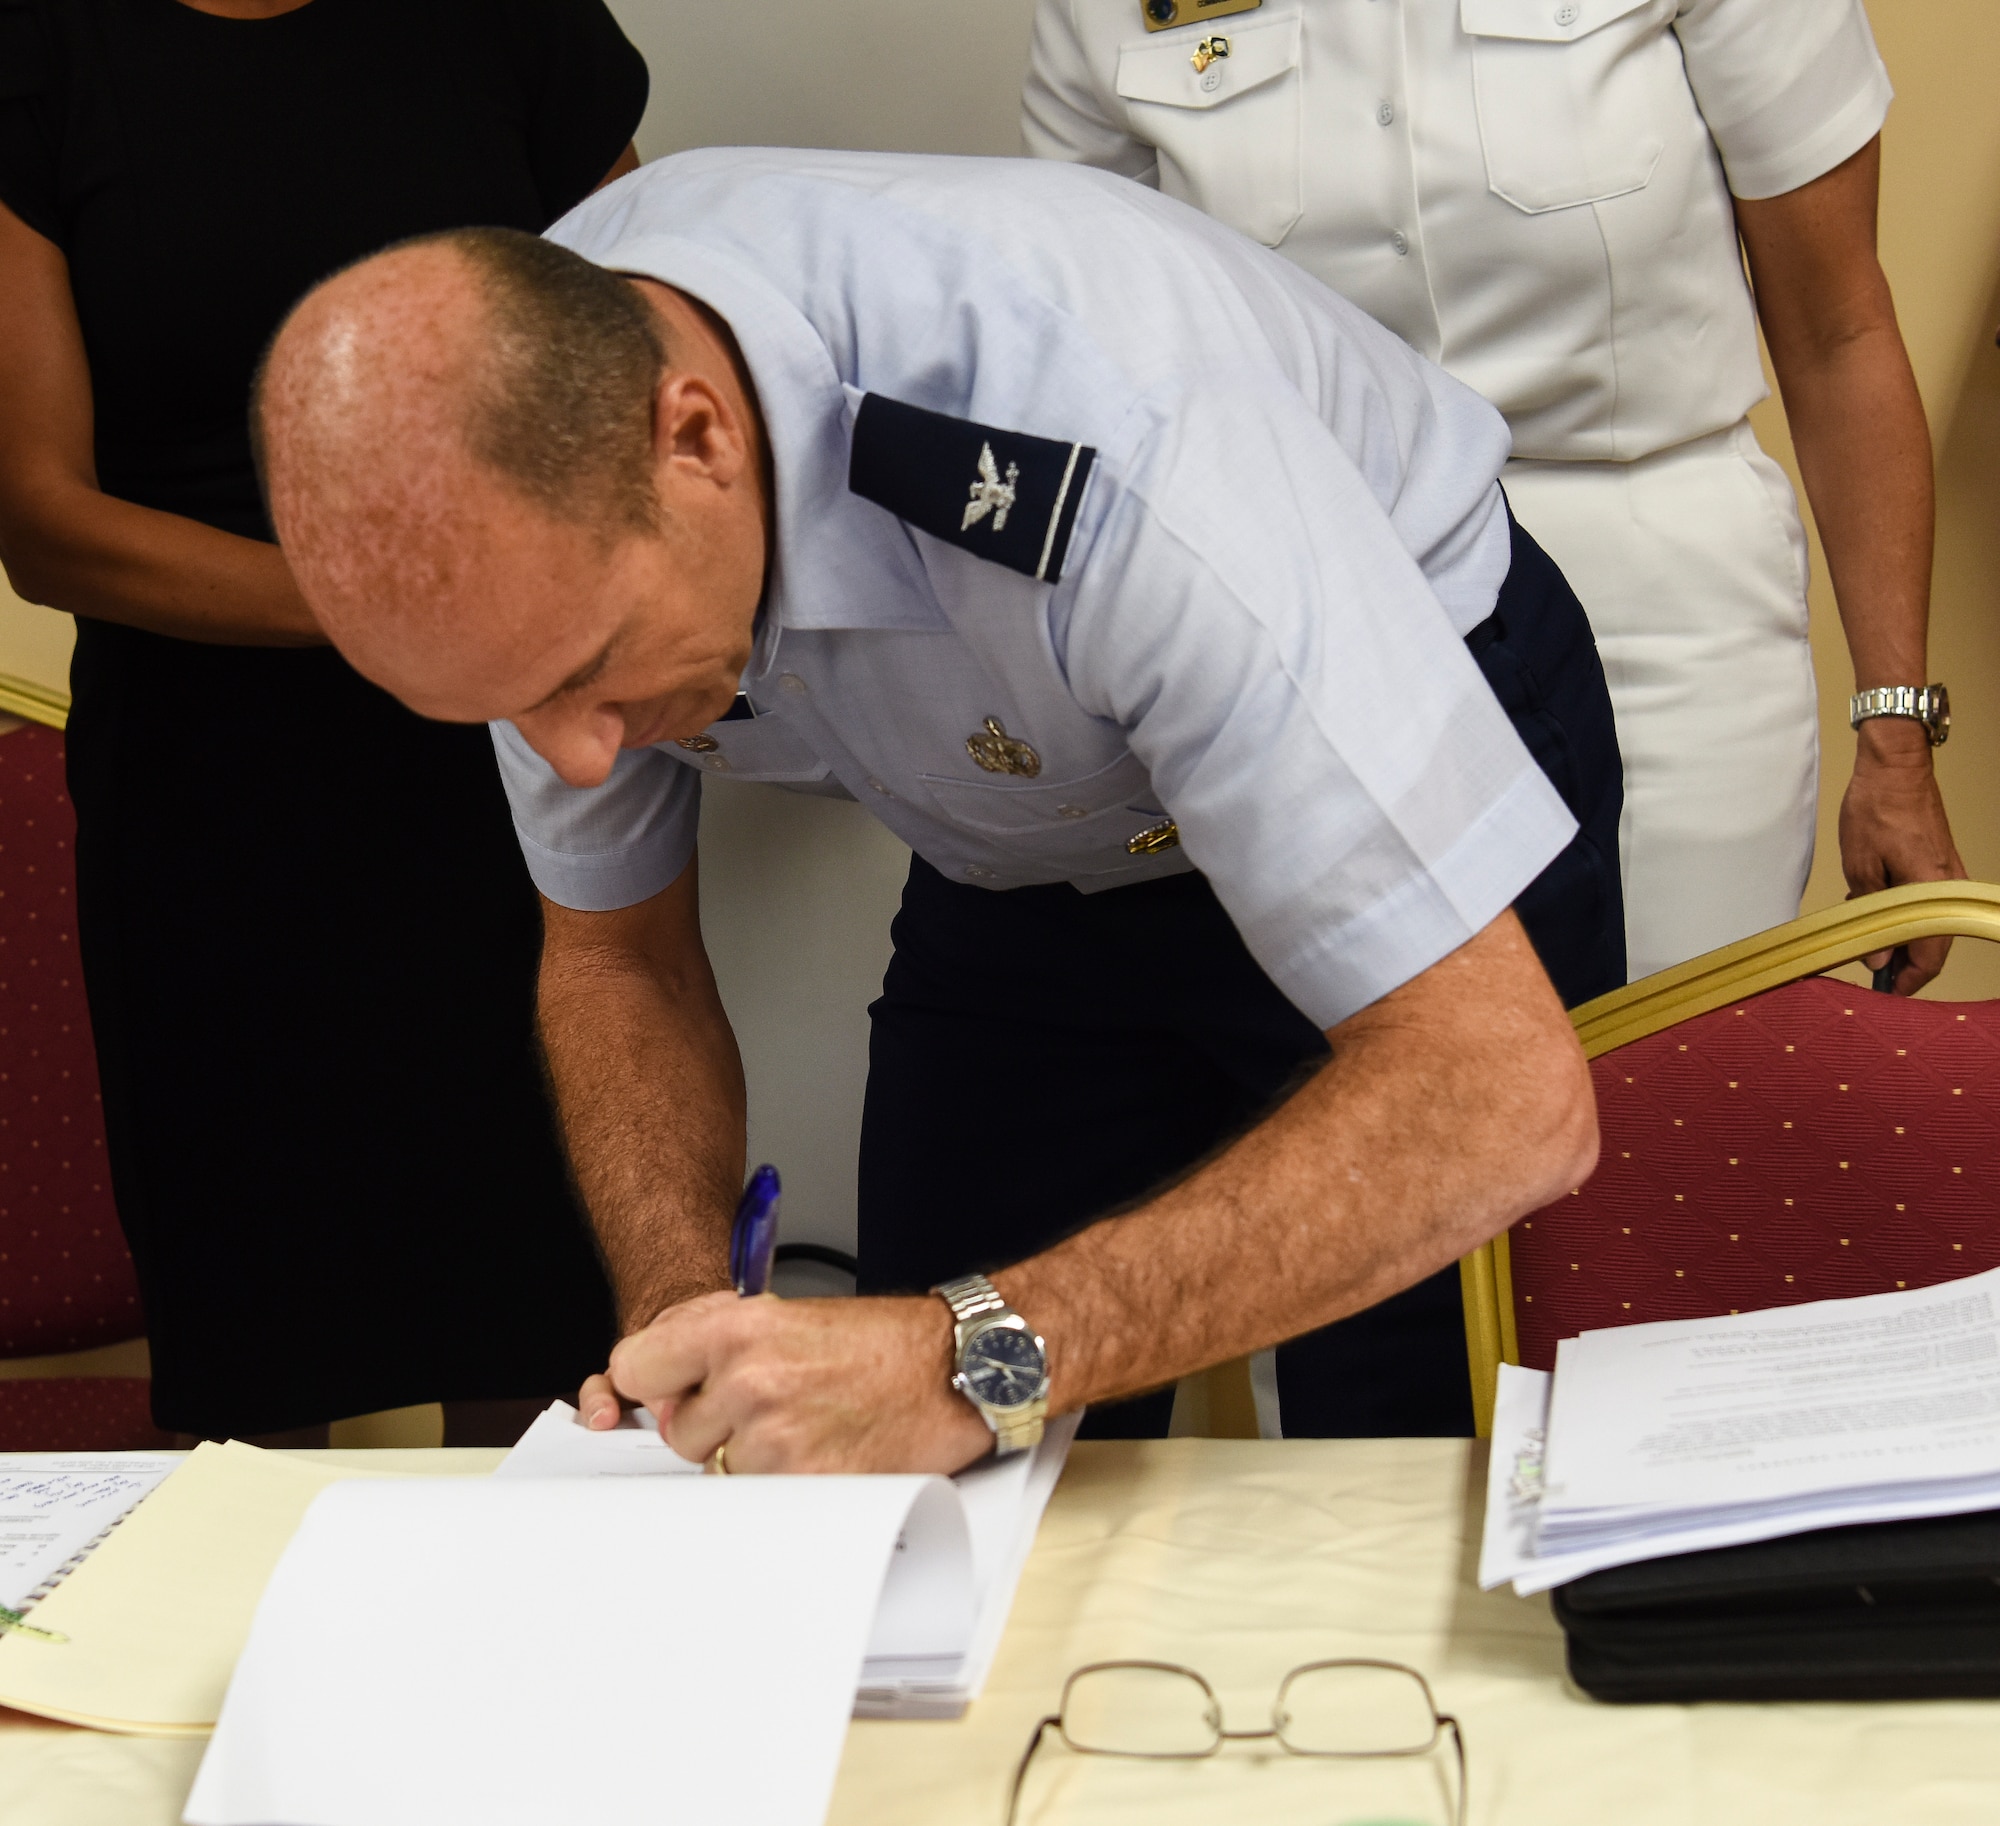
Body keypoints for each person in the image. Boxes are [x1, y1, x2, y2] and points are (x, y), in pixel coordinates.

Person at [255, 148, 1609, 1456]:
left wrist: (975, 1359)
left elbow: (1496, 1096)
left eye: (590, 672)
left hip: (1392, 718)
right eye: (507, 706)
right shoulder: (516, 502)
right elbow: (619, 956)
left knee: (1401, 1440)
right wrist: (680, 1310)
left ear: (698, 437)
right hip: (1033, 835)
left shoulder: (1111, 431)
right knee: (911, 1449)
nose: (582, 757)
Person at [0, 0, 648, 1445]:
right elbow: (46, 525)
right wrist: (396, 611)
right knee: (255, 1371)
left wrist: (544, 620)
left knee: (552, 1339)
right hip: (207, 804)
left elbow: (650, 369)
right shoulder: (44, 48)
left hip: (508, 768)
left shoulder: (511, 24)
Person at [1022, 0, 1962, 990]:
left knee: (1661, 1088)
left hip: (1657, 617)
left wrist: (1894, 741)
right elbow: (1098, 364)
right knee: (1400, 1098)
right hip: (1315, 633)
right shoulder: (1099, 14)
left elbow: (1837, 335)